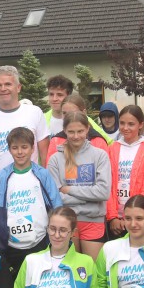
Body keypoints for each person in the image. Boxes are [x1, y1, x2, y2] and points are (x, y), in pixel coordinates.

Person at [0, 126, 59, 275]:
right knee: (15, 283)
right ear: (9, 150)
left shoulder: (42, 174)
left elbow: (56, 204)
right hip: (11, 246)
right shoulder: (2, 177)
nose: (20, 152)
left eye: (24, 147)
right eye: (15, 148)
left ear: (33, 148)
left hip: (40, 242)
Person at [47, 111, 112, 260]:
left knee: (93, 268)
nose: (76, 136)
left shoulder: (100, 155)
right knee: (71, 268)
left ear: (88, 129)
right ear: (64, 131)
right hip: (66, 221)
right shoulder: (55, 160)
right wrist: (89, 197)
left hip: (93, 220)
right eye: (71, 132)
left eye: (80, 131)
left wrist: (68, 189)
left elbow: (103, 192)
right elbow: (55, 197)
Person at [0, 66, 49, 194]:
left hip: (29, 189)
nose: (3, 88)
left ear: (18, 87)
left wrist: (45, 182)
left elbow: (45, 154)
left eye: (8, 84)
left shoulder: (34, 112)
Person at [106, 105, 144, 237]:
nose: (125, 128)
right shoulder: (112, 148)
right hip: (116, 220)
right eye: (122, 123)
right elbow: (107, 185)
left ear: (140, 125)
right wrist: (112, 217)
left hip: (138, 218)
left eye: (131, 124)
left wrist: (132, 216)